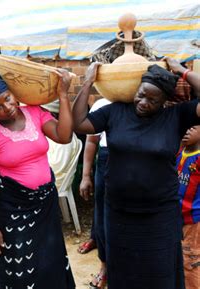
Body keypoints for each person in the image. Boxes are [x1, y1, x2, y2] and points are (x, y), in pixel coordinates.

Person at [72, 57, 200, 289]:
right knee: (123, 272)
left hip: (159, 216)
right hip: (119, 214)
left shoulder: (176, 116)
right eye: (141, 94)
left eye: (153, 100)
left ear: (164, 101)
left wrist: (182, 71)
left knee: (159, 274)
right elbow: (78, 123)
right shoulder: (115, 112)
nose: (143, 102)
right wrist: (88, 81)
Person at [0, 69, 76, 289]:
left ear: (13, 93)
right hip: (13, 210)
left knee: (50, 261)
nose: (7, 108)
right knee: (20, 269)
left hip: (46, 203)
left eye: (8, 99)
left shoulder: (35, 113)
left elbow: (64, 136)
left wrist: (63, 95)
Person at [78, 97, 111, 288]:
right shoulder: (102, 104)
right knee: (102, 214)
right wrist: (85, 176)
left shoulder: (142, 100)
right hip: (107, 160)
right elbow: (91, 141)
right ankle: (105, 266)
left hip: (135, 160)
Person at [176, 125, 200, 289]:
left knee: (190, 261)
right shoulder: (181, 153)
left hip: (194, 219)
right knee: (181, 258)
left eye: (194, 127)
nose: (188, 130)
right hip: (177, 216)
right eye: (187, 127)